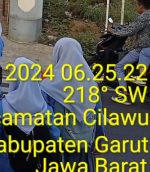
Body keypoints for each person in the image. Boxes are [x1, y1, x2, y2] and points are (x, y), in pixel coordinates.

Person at [0, 57, 61, 172]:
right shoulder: (44, 108)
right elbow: (54, 135)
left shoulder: (2, 106)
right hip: (37, 162)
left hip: (9, 162)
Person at [40, 38, 104, 169]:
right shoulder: (91, 84)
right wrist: (99, 140)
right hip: (84, 145)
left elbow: (45, 118)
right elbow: (98, 114)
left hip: (59, 147)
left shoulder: (48, 86)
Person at [111, 0, 150, 104]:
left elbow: (131, 30)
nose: (136, 7)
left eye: (137, 5)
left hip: (142, 48)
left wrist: (114, 32)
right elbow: (134, 27)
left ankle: (124, 95)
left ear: (141, 6)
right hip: (147, 48)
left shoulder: (144, 16)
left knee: (118, 67)